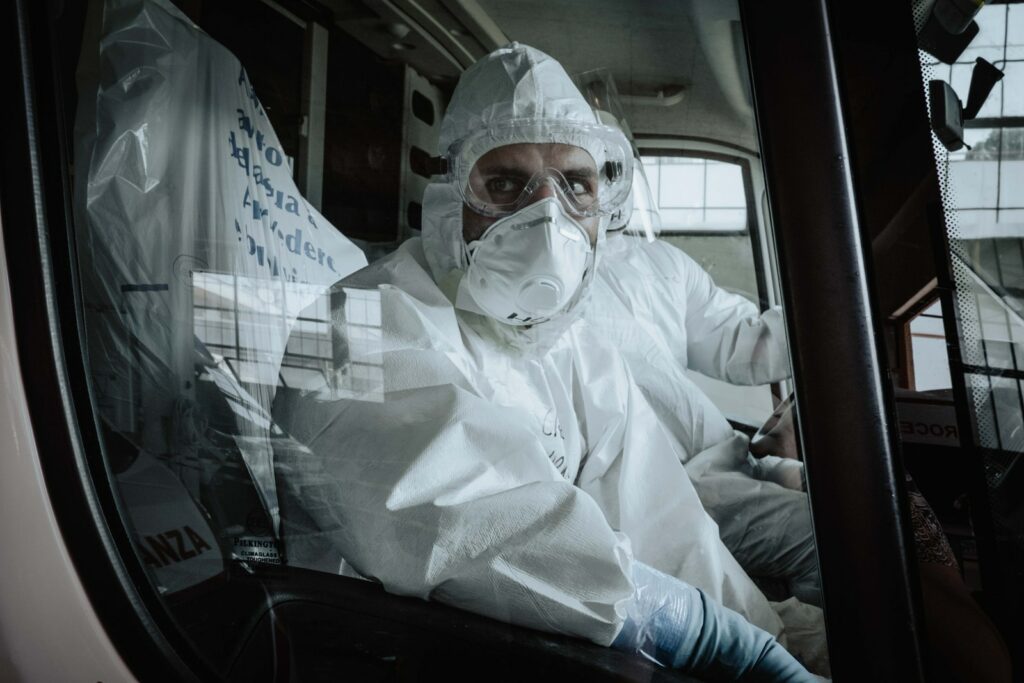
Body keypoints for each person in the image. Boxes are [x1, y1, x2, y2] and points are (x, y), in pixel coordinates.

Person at [273, 43, 825, 679]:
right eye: (505, 185)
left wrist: (769, 633)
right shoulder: (355, 323)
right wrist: (711, 639)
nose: (545, 218)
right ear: (451, 199)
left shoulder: (571, 345)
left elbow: (661, 518)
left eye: (575, 185)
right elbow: (475, 529)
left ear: (601, 208)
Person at [587, 179, 821, 607]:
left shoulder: (661, 263)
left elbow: (746, 342)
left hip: (711, 465)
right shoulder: (524, 284)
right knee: (826, 541)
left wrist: (833, 310)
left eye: (578, 177)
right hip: (658, 488)